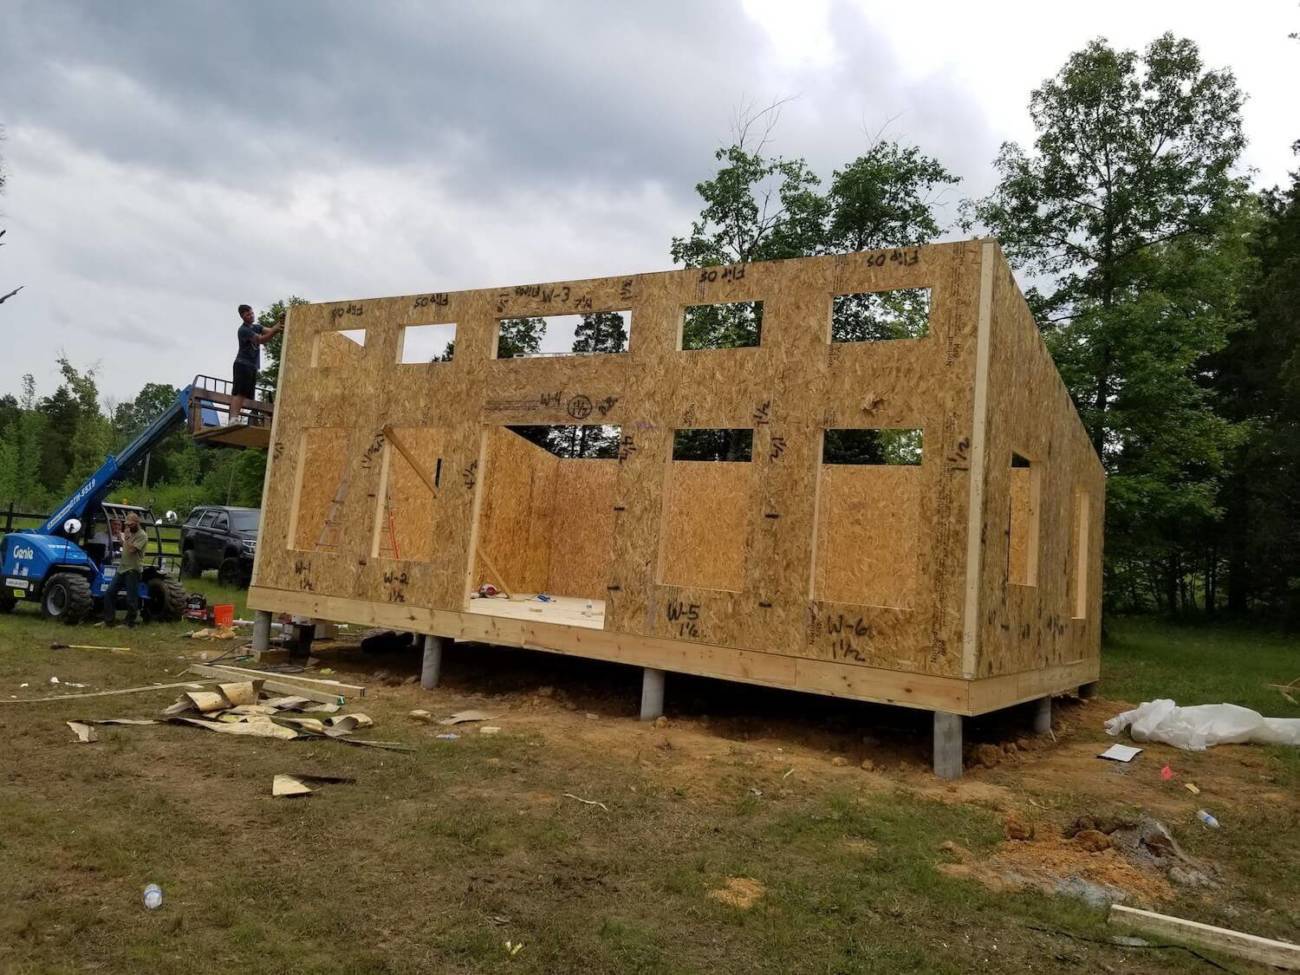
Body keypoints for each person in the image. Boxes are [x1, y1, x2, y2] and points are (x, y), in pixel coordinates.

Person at [231, 304, 282, 425]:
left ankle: (237, 419)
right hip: (242, 364)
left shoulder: (256, 326)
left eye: (252, 313)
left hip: (251, 366)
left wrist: (280, 324)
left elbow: (269, 331)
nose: (251, 315)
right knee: (240, 393)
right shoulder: (244, 330)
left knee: (247, 395)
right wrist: (275, 330)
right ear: (242, 316)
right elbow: (260, 340)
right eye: (248, 314)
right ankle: (233, 419)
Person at [102, 512, 148, 627]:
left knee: (131, 598)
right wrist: (121, 538)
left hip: (133, 569)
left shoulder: (142, 535)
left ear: (137, 523)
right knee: (109, 593)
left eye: (131, 524)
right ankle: (108, 620)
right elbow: (125, 546)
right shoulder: (128, 532)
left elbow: (132, 549)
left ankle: (129, 623)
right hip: (122, 568)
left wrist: (126, 539)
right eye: (127, 524)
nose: (128, 527)